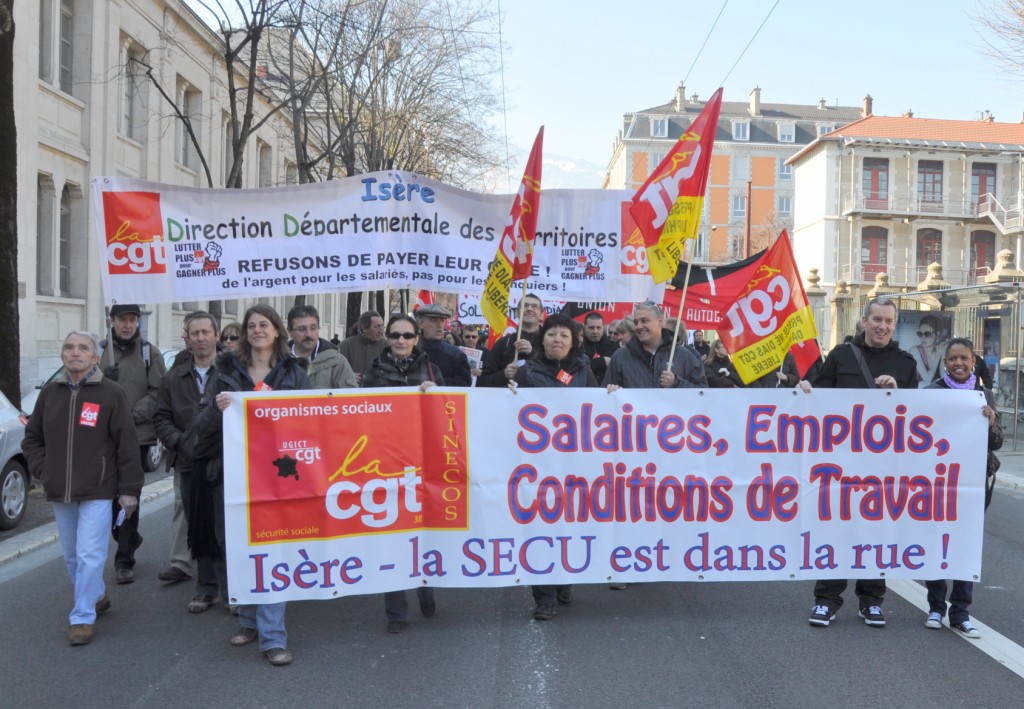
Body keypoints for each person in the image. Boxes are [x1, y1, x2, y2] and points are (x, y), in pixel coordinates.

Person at [194, 305, 311, 666]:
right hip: (232, 476)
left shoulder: (295, 373)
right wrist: (217, 408)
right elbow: (200, 424)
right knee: (240, 549)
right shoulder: (225, 371)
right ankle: (248, 620)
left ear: (277, 331)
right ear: (245, 333)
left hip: (278, 477)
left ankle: (273, 637)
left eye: (264, 324)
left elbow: (309, 422)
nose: (257, 330)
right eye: (251, 326)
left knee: (272, 551)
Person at [801, 296, 919, 628]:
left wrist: (899, 394)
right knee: (837, 529)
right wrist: (806, 391)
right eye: (877, 319)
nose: (883, 326)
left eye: (889, 321)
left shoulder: (905, 364)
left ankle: (871, 601)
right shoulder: (840, 356)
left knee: (876, 530)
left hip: (883, 468)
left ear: (895, 325)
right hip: (841, 466)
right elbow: (819, 401)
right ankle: (826, 599)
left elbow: (918, 418)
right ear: (864, 321)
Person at [22, 331, 143, 645]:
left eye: (83, 348)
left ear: (94, 357)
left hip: (98, 489)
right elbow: (33, 438)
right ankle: (97, 595)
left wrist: (129, 489)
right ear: (63, 355)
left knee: (90, 553)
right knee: (72, 556)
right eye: (69, 347)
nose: (75, 352)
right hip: (59, 488)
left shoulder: (111, 393)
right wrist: (42, 469)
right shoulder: (49, 394)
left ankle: (81, 617)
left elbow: (127, 445)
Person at [510, 313, 599, 619]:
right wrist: (506, 395)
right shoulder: (526, 373)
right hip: (538, 468)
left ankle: (564, 578)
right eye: (551, 334)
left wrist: (610, 397)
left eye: (564, 335)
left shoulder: (585, 373)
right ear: (542, 339)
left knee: (571, 525)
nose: (557, 340)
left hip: (575, 467)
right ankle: (544, 597)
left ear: (574, 341)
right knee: (541, 527)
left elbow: (600, 412)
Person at [361, 314, 442, 633]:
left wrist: (433, 394)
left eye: (407, 335)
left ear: (416, 338)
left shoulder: (432, 370)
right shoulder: (374, 372)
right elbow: (362, 415)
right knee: (392, 538)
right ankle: (396, 612)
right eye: (394, 335)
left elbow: (450, 412)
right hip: (387, 465)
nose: (400, 341)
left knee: (423, 535)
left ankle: (426, 589)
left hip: (423, 465)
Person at [924, 338, 1002, 639]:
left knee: (964, 545)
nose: (958, 364)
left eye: (964, 359)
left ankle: (960, 612)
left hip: (970, 484)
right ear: (945, 363)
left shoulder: (983, 395)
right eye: (953, 359)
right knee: (937, 542)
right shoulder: (932, 393)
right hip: (937, 482)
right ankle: (935, 606)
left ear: (973, 362)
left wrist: (991, 422)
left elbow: (996, 442)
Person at [153, 312, 227, 613]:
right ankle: (205, 588)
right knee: (199, 527)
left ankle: (232, 589)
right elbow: (161, 418)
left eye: (206, 332)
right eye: (194, 333)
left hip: (226, 461)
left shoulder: (232, 374)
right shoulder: (173, 378)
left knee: (226, 528)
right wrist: (182, 442)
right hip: (189, 464)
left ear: (216, 335)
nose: (200, 338)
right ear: (186, 337)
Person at [99, 303, 167, 584]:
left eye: (132, 320)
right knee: (107, 498)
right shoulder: (100, 351)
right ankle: (130, 537)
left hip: (137, 435)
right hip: (102, 437)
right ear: (112, 321)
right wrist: (103, 378)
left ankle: (124, 559)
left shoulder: (150, 353)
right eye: (122, 320)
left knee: (130, 497)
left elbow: (158, 391)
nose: (128, 325)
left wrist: (132, 415)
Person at [604, 301, 707, 392]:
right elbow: (605, 395)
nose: (639, 326)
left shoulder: (684, 356)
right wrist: (612, 392)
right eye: (636, 322)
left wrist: (676, 383)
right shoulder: (621, 357)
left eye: (644, 321)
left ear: (660, 322)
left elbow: (703, 393)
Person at [479, 293, 546, 387]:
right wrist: (504, 374)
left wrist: (533, 355)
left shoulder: (549, 343)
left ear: (541, 315)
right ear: (517, 312)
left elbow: (556, 375)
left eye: (534, 306)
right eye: (525, 305)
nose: (529, 309)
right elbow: (482, 381)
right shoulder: (503, 344)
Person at [287, 304, 357, 389]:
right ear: (290, 331)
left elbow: (350, 399)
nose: (308, 334)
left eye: (313, 328)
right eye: (302, 329)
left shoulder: (336, 361)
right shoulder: (277, 360)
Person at [415, 303, 471, 386]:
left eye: (442, 320)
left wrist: (437, 383)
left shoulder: (456, 355)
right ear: (421, 324)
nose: (440, 325)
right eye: (433, 320)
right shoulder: (409, 351)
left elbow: (464, 383)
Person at [338, 311, 386, 384]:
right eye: (376, 327)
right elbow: (335, 370)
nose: (381, 330)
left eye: (382, 326)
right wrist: (346, 375)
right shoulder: (346, 345)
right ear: (365, 328)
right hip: (353, 392)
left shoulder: (386, 345)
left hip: (379, 392)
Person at [581, 312, 618, 383]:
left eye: (598, 327)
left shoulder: (614, 347)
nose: (595, 331)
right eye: (591, 328)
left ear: (603, 327)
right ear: (584, 327)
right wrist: (601, 361)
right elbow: (575, 372)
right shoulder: (577, 347)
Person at [910, 314, 944, 387]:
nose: (923, 338)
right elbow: (927, 379)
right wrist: (938, 355)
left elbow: (944, 377)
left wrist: (943, 353)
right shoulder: (914, 350)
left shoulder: (941, 349)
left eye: (927, 334)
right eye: (920, 334)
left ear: (937, 334)